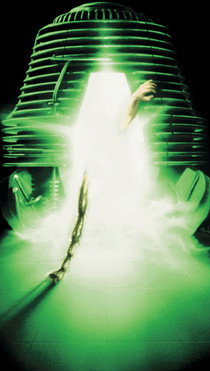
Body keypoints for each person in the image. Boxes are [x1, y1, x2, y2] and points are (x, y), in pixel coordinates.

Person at [49, 80, 157, 282]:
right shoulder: (89, 132)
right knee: (81, 215)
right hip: (91, 176)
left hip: (108, 178)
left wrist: (134, 99)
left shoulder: (109, 132)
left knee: (95, 214)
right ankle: (65, 264)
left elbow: (126, 119)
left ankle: (72, 261)